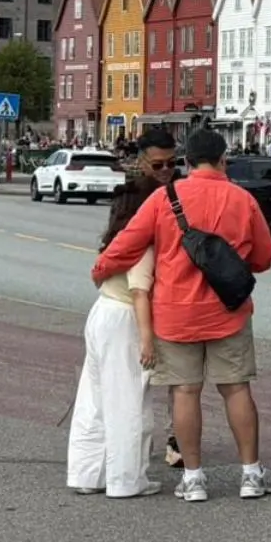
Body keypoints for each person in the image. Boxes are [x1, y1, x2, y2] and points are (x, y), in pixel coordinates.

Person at [94, 126, 271, 502]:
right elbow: (262, 259)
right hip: (228, 311)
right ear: (223, 159)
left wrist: (101, 268)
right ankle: (250, 475)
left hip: (175, 314)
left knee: (184, 391)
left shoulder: (165, 197)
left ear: (187, 161)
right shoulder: (243, 199)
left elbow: (128, 242)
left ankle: (193, 478)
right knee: (236, 389)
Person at [66, 136, 166, 498]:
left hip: (102, 311)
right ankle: (126, 479)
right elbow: (141, 290)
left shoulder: (114, 239)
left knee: (93, 399)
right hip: (125, 317)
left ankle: (86, 472)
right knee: (129, 401)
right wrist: (148, 339)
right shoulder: (141, 241)